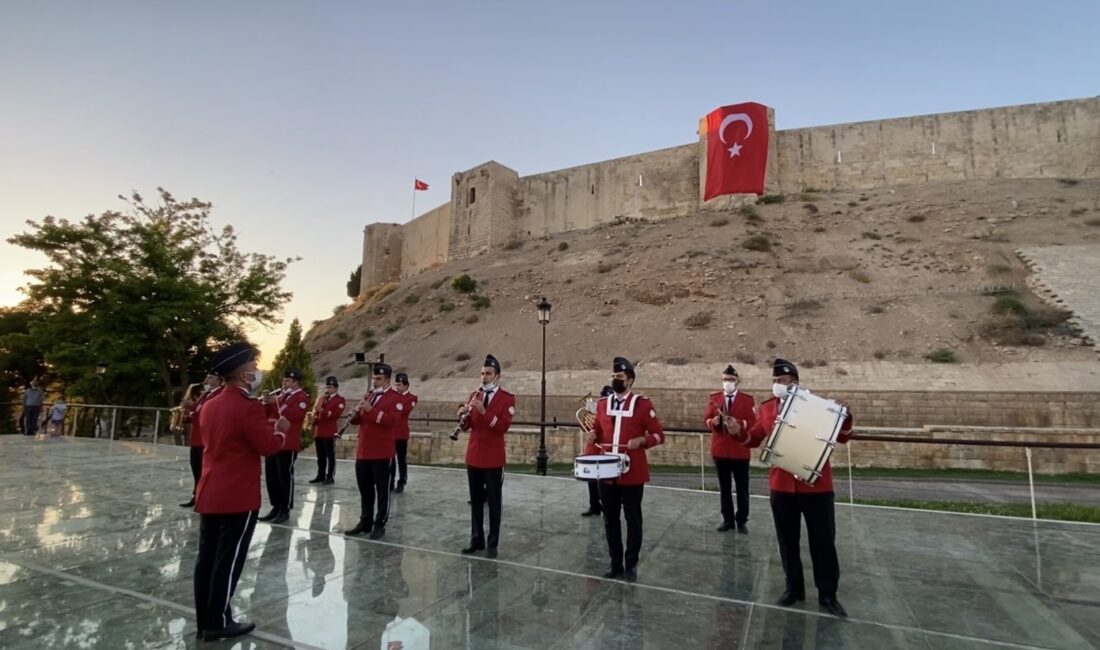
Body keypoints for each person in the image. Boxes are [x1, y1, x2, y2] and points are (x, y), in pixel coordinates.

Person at [193, 341, 290, 642]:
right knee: (229, 560)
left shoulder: (210, 403)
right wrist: (280, 430)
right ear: (242, 373)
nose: (256, 371)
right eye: (252, 367)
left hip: (210, 489)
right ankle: (219, 620)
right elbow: (267, 446)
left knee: (206, 558)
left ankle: (205, 618)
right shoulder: (246, 407)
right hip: (238, 493)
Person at [745, 358, 854, 618]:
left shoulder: (816, 406)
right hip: (782, 487)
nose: (777, 385)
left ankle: (828, 593)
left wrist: (846, 415)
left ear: (794, 381)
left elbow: (842, 436)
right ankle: (794, 588)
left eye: (781, 381)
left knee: (823, 542)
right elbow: (754, 437)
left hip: (816, 487)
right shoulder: (767, 408)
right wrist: (739, 431)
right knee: (787, 541)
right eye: (774, 381)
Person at [586, 357, 665, 581]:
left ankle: (630, 564)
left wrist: (642, 441)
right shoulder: (603, 404)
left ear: (630, 380)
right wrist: (593, 435)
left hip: (632, 472)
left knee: (633, 519)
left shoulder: (643, 405)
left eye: (619, 377)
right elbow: (598, 430)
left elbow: (659, 435)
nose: (615, 380)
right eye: (613, 377)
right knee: (610, 519)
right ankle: (615, 562)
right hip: (607, 472)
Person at [459, 354, 515, 559]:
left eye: (488, 373)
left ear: (497, 376)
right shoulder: (475, 395)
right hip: (474, 456)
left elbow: (502, 427)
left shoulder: (507, 399)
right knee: (475, 501)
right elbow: (468, 426)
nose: (484, 377)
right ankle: (476, 539)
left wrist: (484, 412)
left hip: (493, 458)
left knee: (493, 502)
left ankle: (493, 543)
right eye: (482, 373)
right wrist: (462, 418)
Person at [342, 360, 402, 539]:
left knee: (382, 491)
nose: (374, 381)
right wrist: (353, 416)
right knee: (365, 489)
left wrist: (371, 411)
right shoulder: (369, 395)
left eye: (378, 378)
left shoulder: (396, 398)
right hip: (364, 451)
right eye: (374, 378)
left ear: (387, 380)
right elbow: (360, 419)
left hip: (382, 452)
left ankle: (379, 523)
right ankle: (365, 520)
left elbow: (391, 422)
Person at [704, 364, 757, 533]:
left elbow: (754, 422)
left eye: (731, 380)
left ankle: (741, 521)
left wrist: (739, 423)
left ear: (737, 381)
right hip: (720, 450)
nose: (728, 382)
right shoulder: (714, 399)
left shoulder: (747, 400)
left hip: (740, 451)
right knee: (724, 488)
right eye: (725, 379)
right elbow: (706, 419)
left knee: (742, 488)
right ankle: (727, 520)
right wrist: (713, 423)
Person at [260, 368, 309, 524]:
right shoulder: (281, 397)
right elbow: (269, 415)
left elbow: (293, 416)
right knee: (271, 476)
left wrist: (277, 402)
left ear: (295, 383)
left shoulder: (302, 397)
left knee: (284, 477)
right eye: (283, 380)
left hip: (288, 443)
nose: (284, 383)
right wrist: (266, 403)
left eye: (287, 381)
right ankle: (275, 506)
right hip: (273, 441)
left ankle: (285, 509)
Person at [180, 375, 223, 508]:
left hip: (206, 441)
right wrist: (185, 416)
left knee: (206, 472)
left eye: (210, 378)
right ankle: (196, 495)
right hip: (196, 439)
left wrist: (191, 406)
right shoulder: (204, 395)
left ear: (218, 380)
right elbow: (196, 411)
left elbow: (207, 414)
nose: (207, 380)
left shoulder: (219, 395)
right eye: (207, 378)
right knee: (196, 469)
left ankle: (207, 498)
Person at [580, 385, 614, 518]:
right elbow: (588, 429)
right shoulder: (595, 411)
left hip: (603, 451)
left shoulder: (611, 414)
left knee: (604, 484)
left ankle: (606, 507)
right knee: (592, 482)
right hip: (592, 450)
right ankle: (594, 506)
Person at [309, 376, 345, 485]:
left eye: (330, 387)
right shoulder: (322, 398)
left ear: (336, 388)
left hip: (329, 431)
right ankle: (320, 475)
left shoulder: (340, 400)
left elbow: (335, 415)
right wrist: (314, 417)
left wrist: (322, 410)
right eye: (327, 387)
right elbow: (317, 412)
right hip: (319, 430)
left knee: (330, 455)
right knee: (321, 456)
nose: (327, 390)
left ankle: (330, 476)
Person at [390, 372, 417, 493]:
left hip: (401, 433)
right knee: (390, 459)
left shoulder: (411, 398)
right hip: (391, 433)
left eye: (399, 385)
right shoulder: (394, 396)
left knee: (401, 459)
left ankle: (401, 481)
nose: (397, 387)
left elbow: (404, 410)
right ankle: (390, 482)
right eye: (396, 385)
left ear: (406, 386)